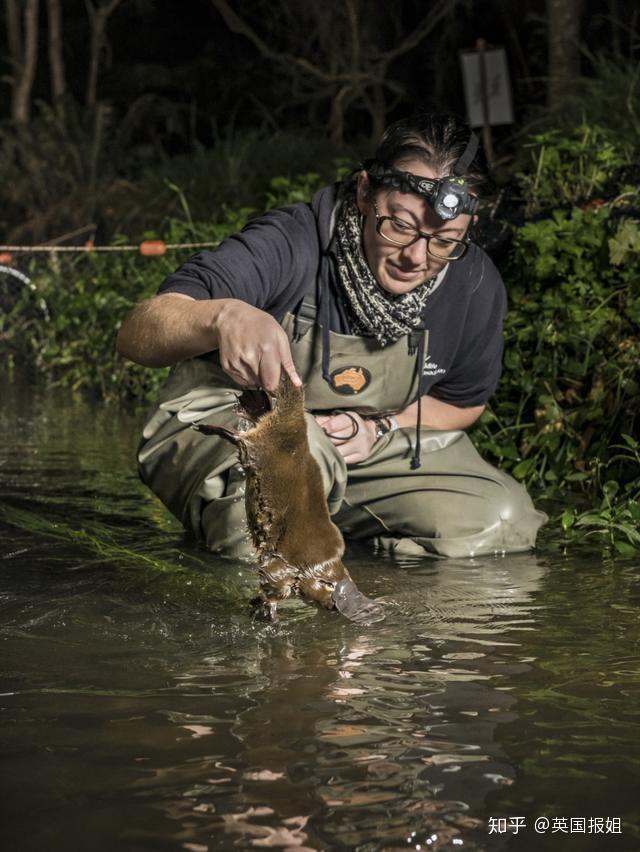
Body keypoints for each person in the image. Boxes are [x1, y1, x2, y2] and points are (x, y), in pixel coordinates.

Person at [117, 111, 547, 559]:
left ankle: (341, 556)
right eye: (399, 226)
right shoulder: (292, 241)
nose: (416, 257)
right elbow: (137, 333)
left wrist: (378, 427)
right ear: (364, 192)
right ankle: (253, 560)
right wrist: (224, 317)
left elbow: (462, 403)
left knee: (503, 522)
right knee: (287, 488)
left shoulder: (473, 283)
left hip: (365, 451)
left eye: (443, 239)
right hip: (246, 429)